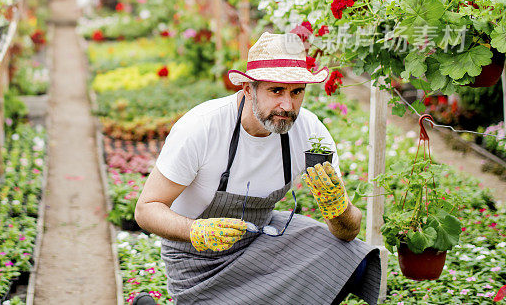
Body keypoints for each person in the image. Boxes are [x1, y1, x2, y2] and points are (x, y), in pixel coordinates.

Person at [134, 32, 381, 305]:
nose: (287, 106)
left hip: (259, 240)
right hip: (196, 260)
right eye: (276, 91)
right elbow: (146, 209)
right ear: (248, 89)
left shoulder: (311, 136)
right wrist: (196, 231)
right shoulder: (202, 128)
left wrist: (339, 209)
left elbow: (347, 231)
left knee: (349, 258)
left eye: (297, 92)